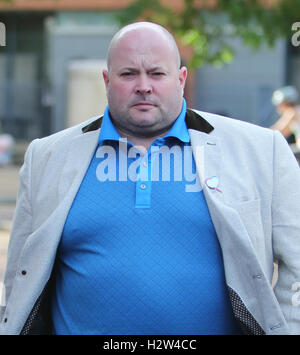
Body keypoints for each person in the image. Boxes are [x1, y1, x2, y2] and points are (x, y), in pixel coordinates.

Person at [1, 22, 300, 336]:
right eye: (128, 74)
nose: (143, 86)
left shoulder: (261, 151)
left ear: (180, 79)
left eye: (157, 74)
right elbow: (19, 281)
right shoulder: (46, 158)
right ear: (107, 80)